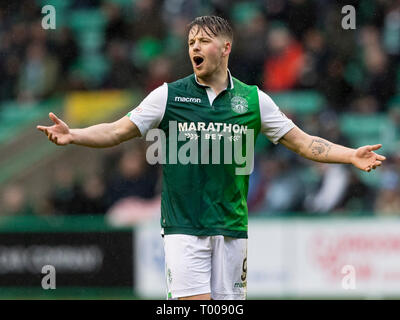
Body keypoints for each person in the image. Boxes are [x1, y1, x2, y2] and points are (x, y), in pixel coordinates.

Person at [37, 16, 386, 300]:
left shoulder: (253, 101)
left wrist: (350, 155)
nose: (195, 47)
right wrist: (75, 136)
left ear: (225, 48)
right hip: (184, 228)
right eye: (191, 42)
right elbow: (116, 131)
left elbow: (304, 143)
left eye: (202, 41)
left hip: (233, 229)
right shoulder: (168, 96)